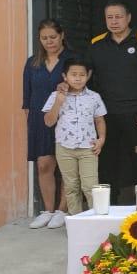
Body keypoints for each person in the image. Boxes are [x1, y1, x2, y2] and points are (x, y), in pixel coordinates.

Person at [87, 0, 137, 204]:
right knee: (106, 162)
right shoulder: (96, 44)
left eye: (118, 17)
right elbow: (85, 75)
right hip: (104, 115)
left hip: (136, 113)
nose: (114, 21)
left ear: (128, 18)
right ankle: (107, 206)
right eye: (109, 17)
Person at [43, 57, 106, 215]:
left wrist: (101, 139)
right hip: (64, 148)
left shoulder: (94, 97)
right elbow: (48, 122)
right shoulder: (55, 96)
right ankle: (76, 220)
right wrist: (58, 102)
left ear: (88, 75)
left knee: (91, 186)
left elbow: (99, 120)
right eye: (73, 74)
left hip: (88, 148)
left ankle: (97, 219)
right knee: (71, 187)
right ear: (65, 76)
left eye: (82, 75)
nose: (78, 78)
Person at [24, 19, 69, 228]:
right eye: (44, 38)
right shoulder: (32, 63)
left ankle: (62, 210)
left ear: (62, 36)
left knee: (67, 166)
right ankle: (48, 210)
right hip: (38, 119)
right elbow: (27, 98)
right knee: (44, 164)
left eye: (53, 37)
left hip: (67, 119)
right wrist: (30, 124)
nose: (49, 41)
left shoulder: (72, 60)